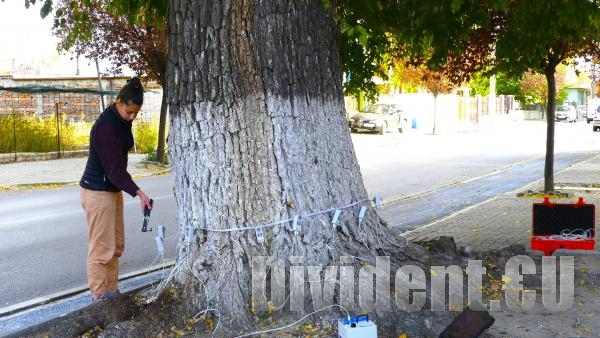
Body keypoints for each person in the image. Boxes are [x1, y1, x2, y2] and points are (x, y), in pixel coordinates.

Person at [79, 77, 152, 302]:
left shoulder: (121, 121)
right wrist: (139, 193)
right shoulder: (105, 128)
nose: (132, 117)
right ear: (118, 102)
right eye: (129, 112)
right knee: (101, 250)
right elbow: (114, 171)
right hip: (97, 190)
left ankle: (112, 292)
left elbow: (118, 169)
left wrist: (135, 191)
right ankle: (99, 299)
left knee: (115, 246)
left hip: (111, 189)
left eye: (135, 114)